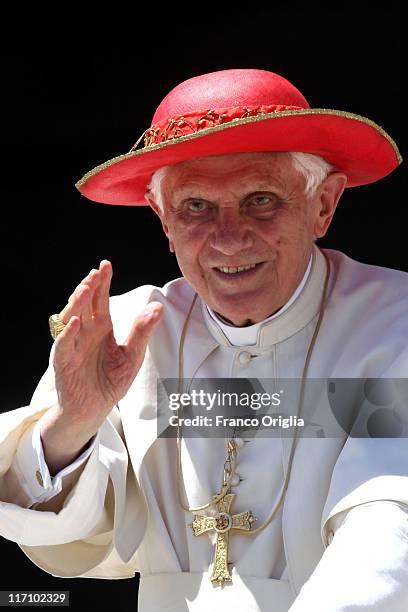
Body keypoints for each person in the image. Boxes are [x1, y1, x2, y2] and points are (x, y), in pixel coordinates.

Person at [0, 68, 407, 611]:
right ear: (163, 221)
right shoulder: (127, 333)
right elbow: (65, 536)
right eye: (197, 207)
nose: (230, 237)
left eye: (261, 199)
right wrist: (73, 423)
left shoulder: (394, 325)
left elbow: (387, 530)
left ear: (323, 205)